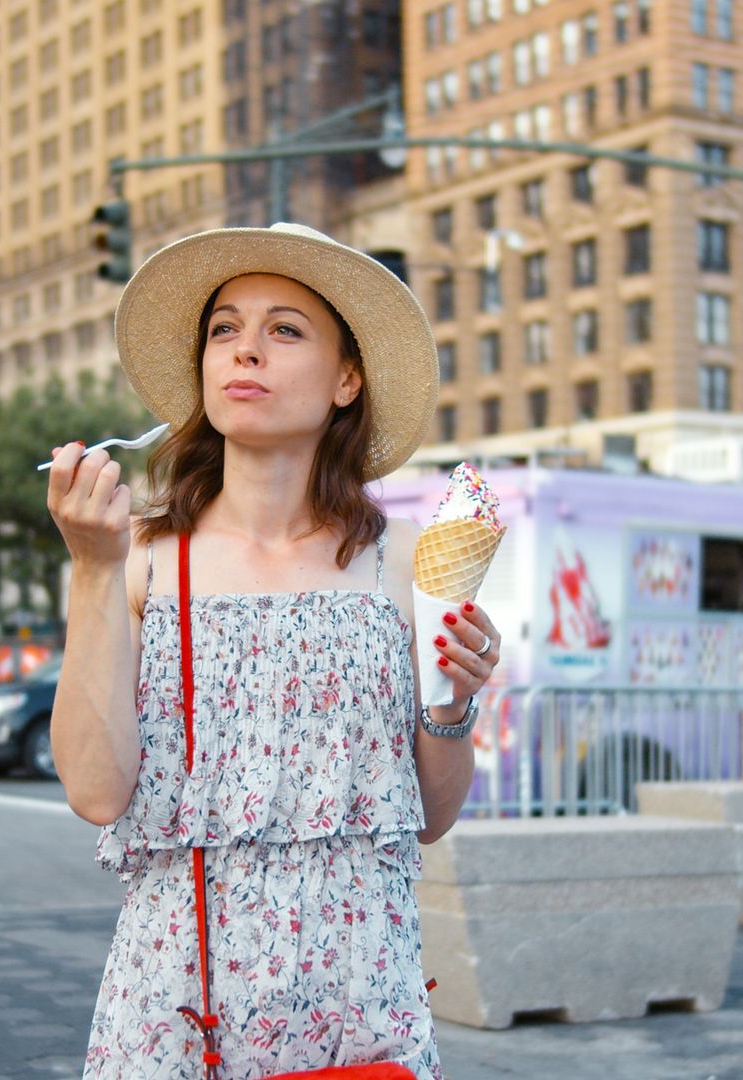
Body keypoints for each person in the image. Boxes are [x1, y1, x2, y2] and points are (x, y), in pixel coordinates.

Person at [46, 223, 497, 1078]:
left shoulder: (400, 562)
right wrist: (93, 572)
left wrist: (451, 706)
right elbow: (96, 791)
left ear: (346, 379)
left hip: (360, 1011)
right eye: (224, 328)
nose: (244, 349)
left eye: (284, 329)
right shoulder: (138, 553)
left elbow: (431, 818)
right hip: (181, 1013)